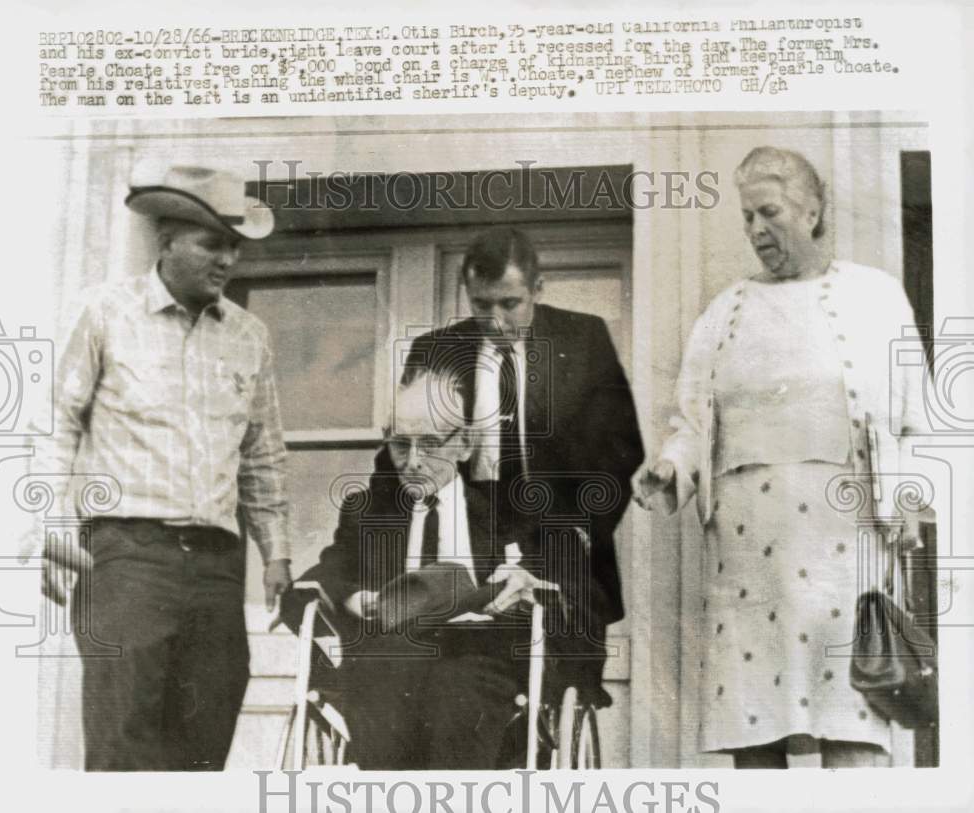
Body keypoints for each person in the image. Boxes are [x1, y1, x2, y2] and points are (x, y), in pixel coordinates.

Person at [632, 146, 929, 768]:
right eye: (747, 217)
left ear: (812, 210)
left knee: (851, 719)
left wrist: (907, 496)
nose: (756, 230)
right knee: (755, 732)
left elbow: (916, 420)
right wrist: (669, 466)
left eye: (769, 212)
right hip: (748, 554)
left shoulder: (877, 299)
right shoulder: (724, 312)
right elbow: (692, 421)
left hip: (843, 546)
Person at [35, 165, 291, 771]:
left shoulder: (250, 337)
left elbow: (262, 453)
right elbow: (54, 423)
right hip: (126, 555)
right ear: (167, 241)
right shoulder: (102, 312)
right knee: (124, 741)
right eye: (212, 242)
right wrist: (50, 527)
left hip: (217, 567)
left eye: (234, 245)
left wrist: (276, 551)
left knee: (205, 743)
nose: (227, 258)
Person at [282, 370, 577, 770]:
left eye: (431, 444)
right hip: (388, 659)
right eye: (401, 445)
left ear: (465, 444)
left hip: (479, 659)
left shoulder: (506, 509)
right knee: (383, 681)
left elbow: (565, 559)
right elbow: (327, 574)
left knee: (457, 698)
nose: (414, 461)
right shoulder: (369, 511)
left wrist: (525, 575)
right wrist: (355, 599)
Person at [400, 227, 644, 666]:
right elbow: (407, 451)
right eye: (481, 305)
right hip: (465, 538)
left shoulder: (583, 339)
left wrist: (568, 539)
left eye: (510, 304)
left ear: (537, 289)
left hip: (560, 532)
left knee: (556, 674)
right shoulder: (434, 350)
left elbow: (620, 451)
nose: (495, 320)